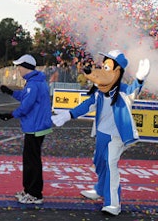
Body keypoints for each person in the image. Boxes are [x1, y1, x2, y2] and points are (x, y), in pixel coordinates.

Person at [52, 49, 150, 216]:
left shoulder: (123, 92)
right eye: (103, 66)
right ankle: (99, 189)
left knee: (111, 164)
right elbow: (86, 105)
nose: (102, 71)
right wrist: (68, 114)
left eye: (108, 67)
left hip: (116, 136)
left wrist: (140, 79)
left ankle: (113, 203)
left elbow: (134, 90)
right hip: (101, 134)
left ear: (117, 72)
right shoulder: (99, 92)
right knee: (99, 162)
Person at [0, 54, 52, 205]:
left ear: (26, 67)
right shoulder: (35, 81)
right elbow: (24, 96)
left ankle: (35, 194)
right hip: (37, 126)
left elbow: (26, 106)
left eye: (19, 66)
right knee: (31, 160)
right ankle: (29, 190)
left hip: (35, 127)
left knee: (32, 161)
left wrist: (10, 115)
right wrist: (10, 92)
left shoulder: (33, 84)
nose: (18, 69)